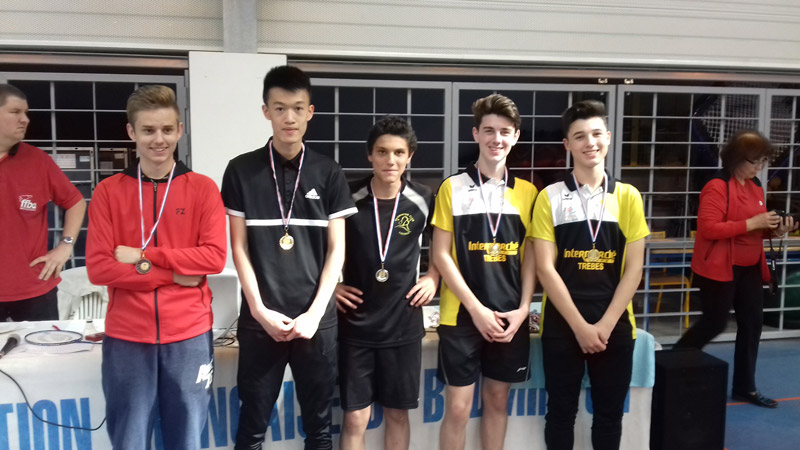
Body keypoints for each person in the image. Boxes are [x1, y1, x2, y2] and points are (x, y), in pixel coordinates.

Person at [221, 65, 357, 450]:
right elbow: (239, 247)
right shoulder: (241, 170)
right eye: (280, 108)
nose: (289, 118)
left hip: (316, 322)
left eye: (297, 108)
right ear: (266, 111)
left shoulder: (328, 172)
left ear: (310, 111)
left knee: (319, 429)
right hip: (261, 320)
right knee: (252, 427)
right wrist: (259, 310)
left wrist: (314, 314)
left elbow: (337, 250)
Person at [86, 85, 227, 449]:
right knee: (129, 440)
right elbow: (99, 269)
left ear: (179, 130)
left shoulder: (203, 189)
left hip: (189, 335)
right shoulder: (108, 192)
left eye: (166, 129)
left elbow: (213, 258)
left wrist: (143, 256)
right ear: (131, 132)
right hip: (128, 338)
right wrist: (174, 274)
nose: (158, 140)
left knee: (186, 440)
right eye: (148, 130)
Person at [532, 99, 648, 450]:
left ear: (608, 138)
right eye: (580, 136)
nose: (590, 142)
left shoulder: (628, 197)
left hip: (615, 324)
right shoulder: (549, 197)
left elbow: (634, 268)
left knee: (610, 416)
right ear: (567, 144)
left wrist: (605, 325)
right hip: (562, 325)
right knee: (560, 414)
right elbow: (544, 268)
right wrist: (580, 327)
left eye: (596, 134)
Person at [431, 93, 538, 450]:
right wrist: (476, 309)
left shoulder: (528, 193)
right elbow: (441, 254)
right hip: (462, 315)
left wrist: (523, 309)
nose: (497, 139)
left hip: (509, 315)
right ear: (476, 133)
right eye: (489, 130)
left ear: (516, 136)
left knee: (497, 401)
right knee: (458, 409)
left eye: (505, 131)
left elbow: (531, 258)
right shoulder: (452, 187)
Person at [336, 116, 439, 450]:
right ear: (370, 155)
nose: (390, 160)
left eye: (398, 152)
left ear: (410, 156)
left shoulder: (424, 197)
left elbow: (444, 245)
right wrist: (333, 286)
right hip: (356, 326)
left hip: (402, 325)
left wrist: (433, 277)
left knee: (397, 415)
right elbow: (323, 248)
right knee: (355, 419)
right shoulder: (348, 196)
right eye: (382, 151)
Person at [673, 130, 796, 408]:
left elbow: (759, 229)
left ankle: (745, 386)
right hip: (720, 266)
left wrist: (777, 230)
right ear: (737, 158)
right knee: (714, 322)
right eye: (755, 161)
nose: (760, 167)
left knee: (752, 325)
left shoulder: (755, 186)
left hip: (750, 266)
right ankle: (672, 363)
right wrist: (752, 223)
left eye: (763, 161)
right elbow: (709, 228)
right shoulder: (717, 186)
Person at [0, 83, 87, 321]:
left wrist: (65, 246)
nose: (25, 119)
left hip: (36, 289)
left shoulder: (38, 161)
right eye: (15, 112)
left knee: (45, 346)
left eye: (26, 113)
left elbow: (76, 202)